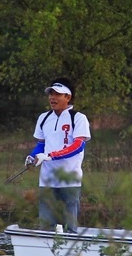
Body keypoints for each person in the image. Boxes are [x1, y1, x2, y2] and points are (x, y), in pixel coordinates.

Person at [25, 78, 91, 232]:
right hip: (47, 180)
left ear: (68, 97)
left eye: (57, 94)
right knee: (46, 226)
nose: (52, 98)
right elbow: (41, 144)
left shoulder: (78, 118)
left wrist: (51, 156)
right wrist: (32, 156)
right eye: (51, 94)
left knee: (70, 227)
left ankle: (71, 254)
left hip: (70, 180)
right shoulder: (44, 118)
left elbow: (78, 146)